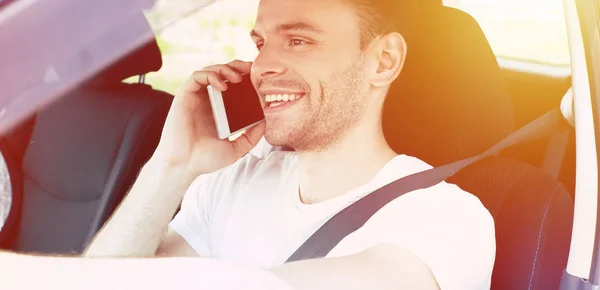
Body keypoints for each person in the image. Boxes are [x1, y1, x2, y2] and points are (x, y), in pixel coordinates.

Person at [83, 0, 496, 289]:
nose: (263, 66)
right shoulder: (232, 180)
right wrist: (172, 165)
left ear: (383, 61)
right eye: (261, 43)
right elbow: (103, 285)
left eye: (298, 40)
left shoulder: (444, 216)